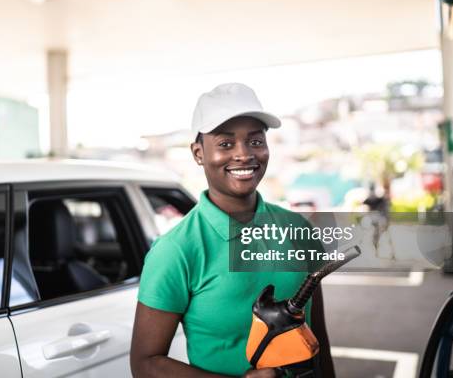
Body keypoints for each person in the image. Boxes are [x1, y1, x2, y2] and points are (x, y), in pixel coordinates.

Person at [130, 83, 335, 378]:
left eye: (255, 141)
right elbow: (145, 363)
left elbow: (318, 339)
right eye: (226, 144)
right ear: (199, 153)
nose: (244, 155)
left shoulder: (297, 228)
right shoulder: (176, 251)